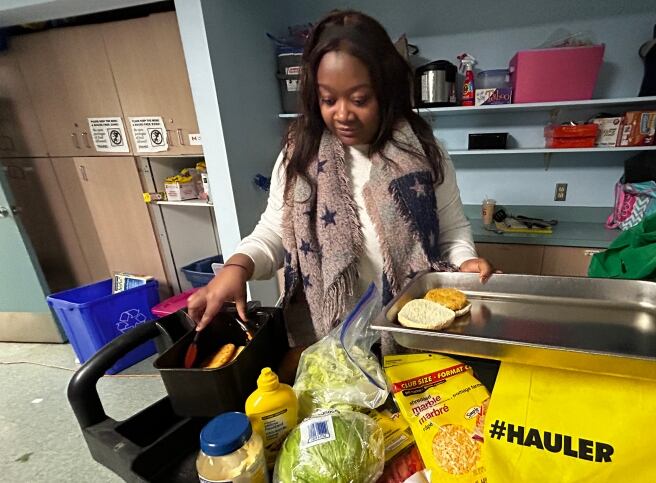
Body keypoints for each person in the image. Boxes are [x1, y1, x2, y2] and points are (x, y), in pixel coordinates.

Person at [187, 9, 494, 349]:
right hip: (331, 341)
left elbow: (452, 230)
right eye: (328, 100)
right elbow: (275, 230)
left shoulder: (424, 151)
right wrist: (237, 267)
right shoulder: (299, 153)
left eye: (359, 99)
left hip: (414, 334)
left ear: (385, 89)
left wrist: (466, 261)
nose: (343, 114)